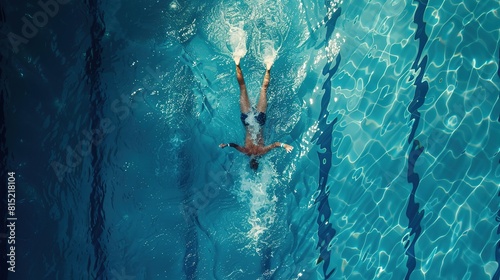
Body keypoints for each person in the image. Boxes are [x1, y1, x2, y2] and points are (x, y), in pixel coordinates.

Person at [219, 58, 293, 171]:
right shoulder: (247, 152)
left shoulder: (261, 152)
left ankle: (268, 67)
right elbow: (233, 145)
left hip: (259, 120)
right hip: (247, 120)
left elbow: (275, 144)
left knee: (263, 89)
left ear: (258, 160)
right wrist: (226, 145)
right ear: (251, 160)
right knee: (243, 88)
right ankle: (237, 63)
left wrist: (285, 146)